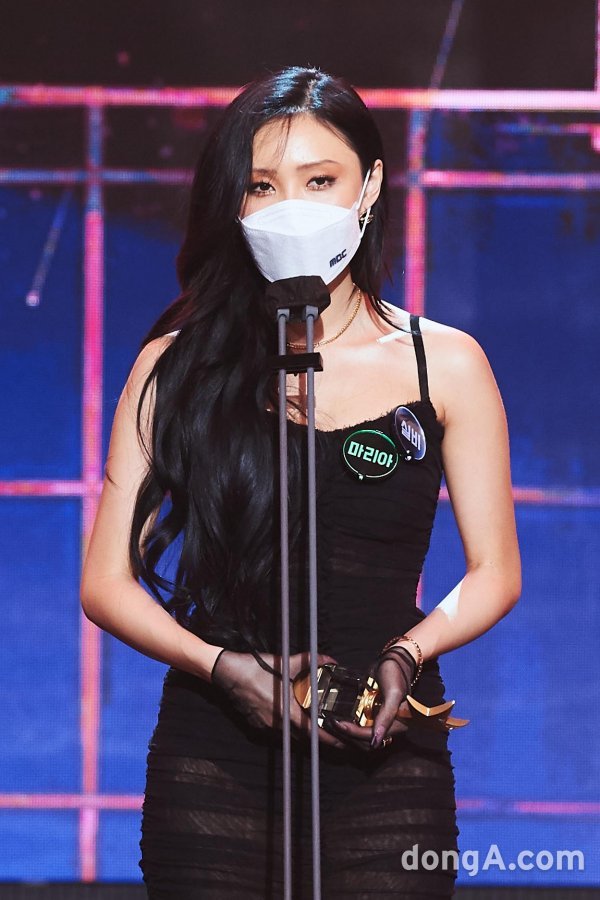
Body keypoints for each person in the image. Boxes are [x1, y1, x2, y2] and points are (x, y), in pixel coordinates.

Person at [80, 65, 521, 899]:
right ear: (235, 204)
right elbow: (104, 583)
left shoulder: (445, 363)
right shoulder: (178, 364)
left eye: (320, 181)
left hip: (383, 741)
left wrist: (409, 651)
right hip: (215, 754)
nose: (292, 208)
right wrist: (223, 668)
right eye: (263, 186)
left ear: (370, 187)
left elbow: (495, 570)